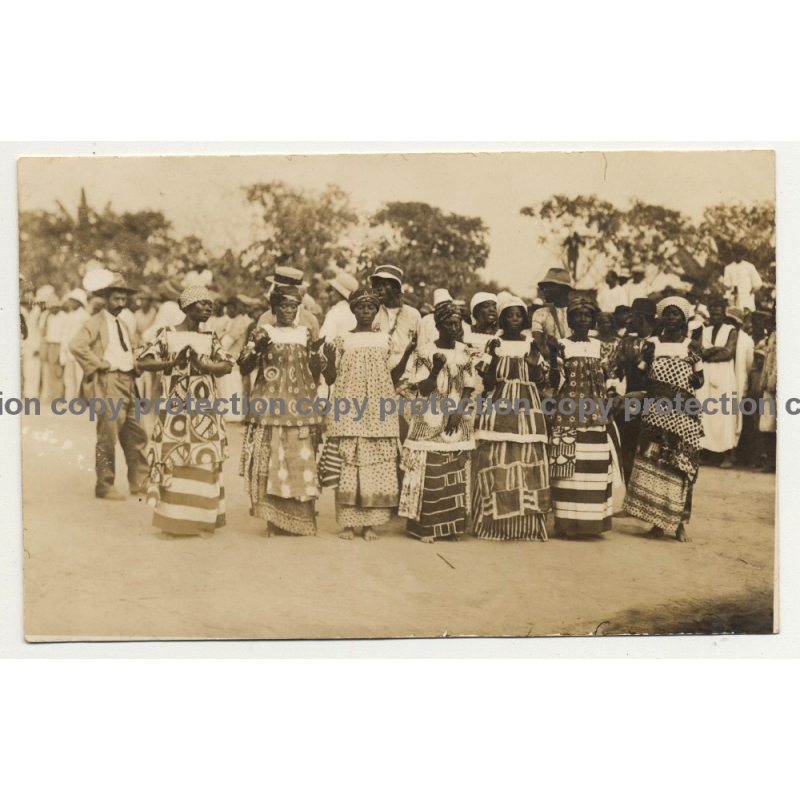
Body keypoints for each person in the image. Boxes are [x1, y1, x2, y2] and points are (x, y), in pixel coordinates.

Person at [135, 287, 234, 538]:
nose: (207, 308)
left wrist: (206, 366)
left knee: (203, 460)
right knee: (174, 459)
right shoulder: (167, 335)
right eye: (201, 304)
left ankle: (200, 522)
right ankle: (173, 524)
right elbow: (144, 362)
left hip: (204, 414)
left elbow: (226, 365)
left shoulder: (211, 337)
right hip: (175, 414)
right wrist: (171, 363)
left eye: (209, 305)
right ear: (186, 307)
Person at [319, 288, 412, 541]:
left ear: (376, 310)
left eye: (370, 307)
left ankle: (370, 524)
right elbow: (331, 378)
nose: (366, 312)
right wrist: (325, 360)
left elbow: (394, 375)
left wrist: (408, 353)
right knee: (349, 465)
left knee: (377, 466)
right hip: (350, 408)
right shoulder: (342, 340)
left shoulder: (385, 339)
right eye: (361, 307)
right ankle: (348, 524)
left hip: (379, 410)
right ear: (353, 310)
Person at [238, 285, 325, 537]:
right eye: (284, 306)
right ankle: (272, 521)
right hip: (269, 405)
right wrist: (257, 348)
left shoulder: (306, 333)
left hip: (300, 407)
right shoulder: (263, 331)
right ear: (274, 307)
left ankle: (301, 522)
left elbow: (314, 370)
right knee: (271, 459)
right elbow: (243, 367)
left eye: (293, 306)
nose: (289, 310)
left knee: (300, 460)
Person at [622, 297, 704, 542]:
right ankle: (657, 523)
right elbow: (639, 373)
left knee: (681, 465)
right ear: (661, 317)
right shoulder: (652, 344)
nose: (671, 318)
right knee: (655, 463)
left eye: (676, 314)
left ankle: (678, 524)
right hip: (656, 412)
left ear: (683, 319)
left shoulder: (693, 346)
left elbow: (699, 380)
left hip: (684, 414)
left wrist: (690, 375)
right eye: (667, 314)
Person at [472, 296, 550, 541]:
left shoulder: (531, 343)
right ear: (503, 319)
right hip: (499, 407)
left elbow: (541, 380)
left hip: (528, 409)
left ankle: (527, 527)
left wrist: (534, 363)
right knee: (496, 458)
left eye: (518, 315)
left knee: (527, 460)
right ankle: (493, 526)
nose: (514, 319)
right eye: (509, 315)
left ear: (524, 318)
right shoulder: (494, 343)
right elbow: (487, 382)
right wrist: (495, 358)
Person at [398, 301, 475, 543]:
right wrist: (436, 369)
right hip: (428, 419)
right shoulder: (424, 352)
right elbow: (422, 390)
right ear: (438, 325)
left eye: (457, 323)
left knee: (453, 471)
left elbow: (468, 388)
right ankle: (427, 529)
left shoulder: (465, 352)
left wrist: (458, 413)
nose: (454, 327)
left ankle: (451, 528)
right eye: (448, 323)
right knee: (430, 471)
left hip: (456, 418)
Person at [68, 274, 150, 501]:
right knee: (108, 435)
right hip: (109, 381)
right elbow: (76, 345)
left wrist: (136, 364)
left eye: (124, 299)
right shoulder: (95, 322)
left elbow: (127, 350)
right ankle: (105, 485)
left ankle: (140, 482)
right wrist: (98, 364)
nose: (121, 303)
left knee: (137, 432)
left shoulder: (123, 323)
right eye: (116, 299)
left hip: (129, 382)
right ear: (105, 298)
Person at [549, 293, 621, 539]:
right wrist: (550, 358)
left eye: (587, 315)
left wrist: (612, 399)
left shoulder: (599, 346)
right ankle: (567, 526)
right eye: (577, 315)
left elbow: (610, 378)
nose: (582, 319)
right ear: (569, 319)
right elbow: (555, 381)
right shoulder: (562, 345)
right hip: (568, 415)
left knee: (594, 468)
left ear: (593, 320)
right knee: (567, 469)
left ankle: (592, 526)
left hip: (596, 415)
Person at [614, 298, 657, 482]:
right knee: (627, 448)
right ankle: (629, 497)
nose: (629, 321)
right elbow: (617, 372)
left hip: (655, 403)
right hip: (629, 402)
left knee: (650, 452)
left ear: (642, 318)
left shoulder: (659, 343)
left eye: (633, 317)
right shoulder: (626, 343)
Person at [696, 298, 738, 468]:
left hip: (724, 374)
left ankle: (727, 456)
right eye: (713, 312)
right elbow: (699, 351)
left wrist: (709, 352)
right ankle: (703, 453)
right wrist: (713, 350)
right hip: (706, 374)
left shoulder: (731, 330)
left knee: (724, 412)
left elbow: (728, 352)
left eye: (718, 312)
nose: (715, 315)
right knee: (704, 412)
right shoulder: (704, 330)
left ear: (724, 313)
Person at [370, 265, 422, 370]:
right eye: (377, 285)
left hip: (407, 376)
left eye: (384, 284)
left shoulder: (413, 314)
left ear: (395, 289)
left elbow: (421, 349)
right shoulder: (372, 313)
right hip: (379, 374)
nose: (379, 289)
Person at [257, 267, 320, 341]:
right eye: (283, 290)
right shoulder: (266, 318)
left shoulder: (310, 320)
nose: (288, 294)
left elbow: (315, 349)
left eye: (292, 290)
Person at [724, 306, 755, 449]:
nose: (731, 324)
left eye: (734, 321)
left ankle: (732, 452)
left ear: (740, 323)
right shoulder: (722, 335)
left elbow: (748, 365)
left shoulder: (747, 340)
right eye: (728, 320)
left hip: (737, 381)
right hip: (721, 380)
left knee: (735, 416)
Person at [59, 289, 91, 402]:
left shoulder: (84, 315)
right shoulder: (70, 314)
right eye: (70, 300)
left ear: (79, 302)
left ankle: (79, 399)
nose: (70, 303)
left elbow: (88, 333)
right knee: (68, 376)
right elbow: (65, 333)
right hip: (68, 350)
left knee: (80, 375)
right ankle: (69, 399)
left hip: (79, 349)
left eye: (73, 300)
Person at [319, 270, 358, 342]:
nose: (330, 294)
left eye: (332, 290)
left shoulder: (334, 313)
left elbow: (324, 340)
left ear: (339, 294)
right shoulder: (356, 312)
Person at [40, 295, 66, 404]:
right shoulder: (49, 317)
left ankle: (58, 397)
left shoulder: (63, 316)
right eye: (51, 308)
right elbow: (44, 331)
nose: (53, 309)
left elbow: (64, 335)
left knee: (58, 372)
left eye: (55, 307)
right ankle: (50, 395)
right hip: (49, 344)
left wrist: (62, 351)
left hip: (59, 345)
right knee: (49, 371)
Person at [723, 243, 763, 312]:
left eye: (741, 254)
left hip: (746, 298)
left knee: (746, 317)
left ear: (744, 255)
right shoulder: (728, 268)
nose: (738, 256)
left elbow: (758, 283)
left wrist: (750, 293)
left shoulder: (749, 267)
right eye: (736, 254)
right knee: (733, 316)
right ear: (733, 254)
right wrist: (729, 295)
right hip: (733, 298)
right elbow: (727, 285)